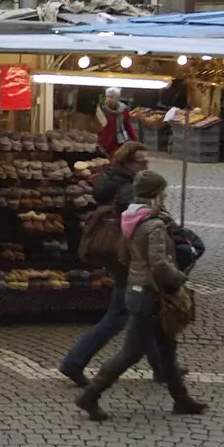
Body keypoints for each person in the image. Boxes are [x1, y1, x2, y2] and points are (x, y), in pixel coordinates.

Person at [75, 170, 207, 422]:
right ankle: (90, 395)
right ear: (156, 194)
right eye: (163, 192)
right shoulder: (155, 224)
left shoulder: (130, 218)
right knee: (132, 352)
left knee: (167, 348)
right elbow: (158, 263)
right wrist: (178, 278)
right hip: (150, 294)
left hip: (137, 289)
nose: (165, 196)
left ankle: (181, 398)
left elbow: (123, 255)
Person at [59, 142, 173, 387]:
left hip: (122, 256)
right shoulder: (127, 188)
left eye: (146, 162)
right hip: (127, 259)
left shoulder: (115, 180)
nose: (145, 166)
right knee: (118, 315)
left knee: (148, 313)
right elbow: (134, 223)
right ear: (127, 163)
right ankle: (75, 363)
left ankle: (163, 367)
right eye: (141, 162)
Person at [95, 86, 140, 157]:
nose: (109, 99)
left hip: (119, 140)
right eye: (108, 97)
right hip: (103, 140)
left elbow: (128, 126)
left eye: (112, 97)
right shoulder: (101, 108)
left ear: (117, 98)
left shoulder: (123, 109)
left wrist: (135, 141)